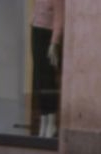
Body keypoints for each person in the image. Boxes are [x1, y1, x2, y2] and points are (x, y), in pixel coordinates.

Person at [30, 0, 64, 138]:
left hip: (47, 35)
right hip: (36, 31)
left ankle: (52, 122)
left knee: (47, 79)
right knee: (38, 78)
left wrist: (54, 42)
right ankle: (43, 120)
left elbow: (59, 18)